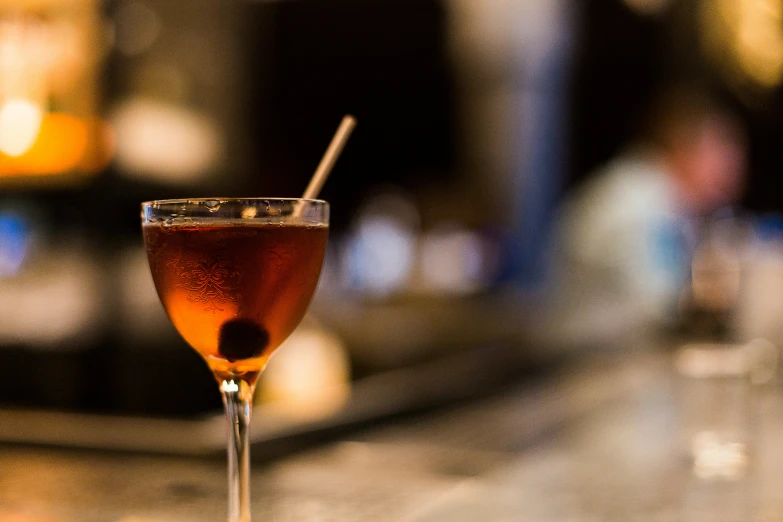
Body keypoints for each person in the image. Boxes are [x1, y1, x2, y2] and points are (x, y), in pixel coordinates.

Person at [541, 89, 747, 352]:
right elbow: (657, 304)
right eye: (724, 153)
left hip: (601, 353)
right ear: (687, 149)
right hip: (583, 361)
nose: (734, 171)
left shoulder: (647, 191)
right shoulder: (640, 204)